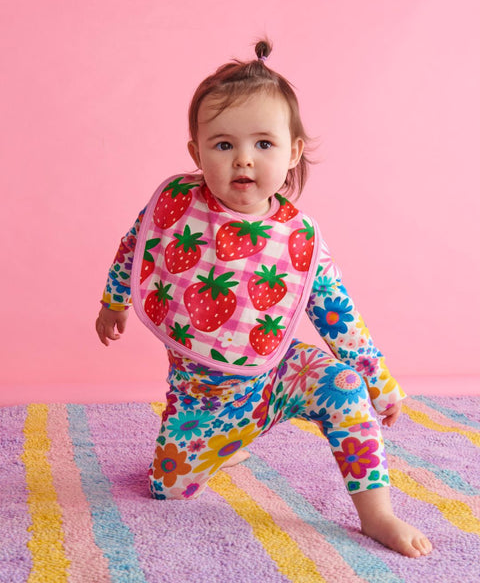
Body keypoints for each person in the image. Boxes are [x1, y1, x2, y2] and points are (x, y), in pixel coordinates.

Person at [95, 40, 432, 557]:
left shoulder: (298, 238)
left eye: (264, 145)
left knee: (342, 386)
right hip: (199, 402)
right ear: (196, 151)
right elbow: (134, 248)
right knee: (165, 491)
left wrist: (377, 382)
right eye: (223, 145)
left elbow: (338, 314)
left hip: (277, 374)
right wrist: (113, 301)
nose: (243, 159)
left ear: (293, 151)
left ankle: (377, 513)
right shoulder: (176, 204)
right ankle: (229, 444)